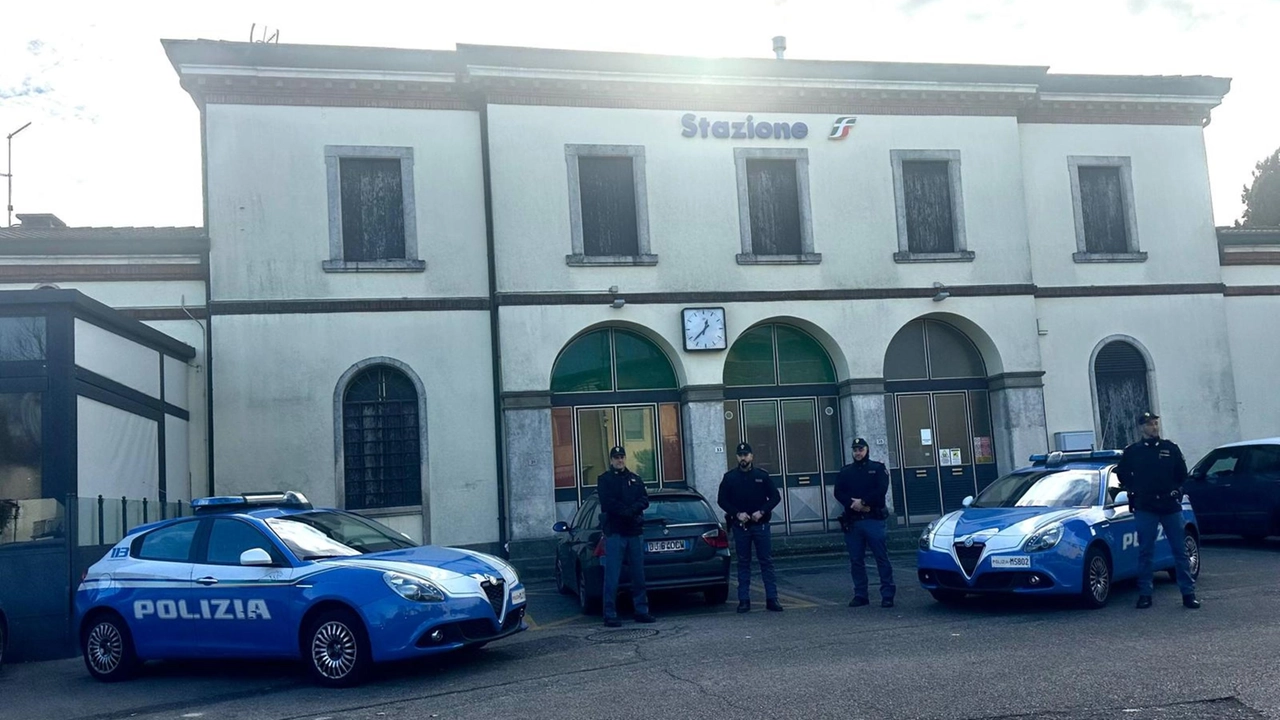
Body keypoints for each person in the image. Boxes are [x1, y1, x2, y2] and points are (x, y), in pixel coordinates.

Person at [1116, 412, 1199, 610]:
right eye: (1150, 424)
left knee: (1180, 551)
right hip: (1146, 507)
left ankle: (1188, 593)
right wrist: (1134, 488)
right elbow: (1122, 474)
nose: (1154, 427)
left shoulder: (1170, 448)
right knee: (1146, 551)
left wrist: (1176, 489)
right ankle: (1145, 594)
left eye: (1155, 424)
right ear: (1141, 427)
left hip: (1169, 506)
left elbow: (1181, 474)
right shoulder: (1133, 452)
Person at [717, 442, 783, 613]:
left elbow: (775, 497)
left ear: (752, 456)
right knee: (743, 563)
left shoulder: (762, 476)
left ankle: (772, 599)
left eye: (746, 454)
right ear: (737, 457)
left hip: (760, 525)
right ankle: (744, 600)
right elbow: (722, 500)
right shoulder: (730, 477)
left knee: (766, 562)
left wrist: (762, 511)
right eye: (740, 455)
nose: (743, 458)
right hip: (741, 527)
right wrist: (737, 513)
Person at [596, 445, 656, 626]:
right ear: (611, 460)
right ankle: (610, 614)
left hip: (634, 532)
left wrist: (633, 510)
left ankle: (641, 611)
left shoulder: (635, 479)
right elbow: (607, 502)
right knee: (612, 576)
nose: (619, 460)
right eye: (616, 457)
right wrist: (626, 511)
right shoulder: (605, 480)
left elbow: (644, 500)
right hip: (615, 532)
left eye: (622, 457)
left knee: (638, 575)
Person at [833, 437, 896, 608]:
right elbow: (838, 492)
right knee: (856, 560)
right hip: (853, 521)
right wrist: (853, 504)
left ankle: (887, 594)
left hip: (873, 520)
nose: (857, 453)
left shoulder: (877, 469)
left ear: (867, 450)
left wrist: (864, 502)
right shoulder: (846, 471)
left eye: (860, 449)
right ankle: (860, 594)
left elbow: (881, 490)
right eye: (855, 450)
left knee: (881, 558)